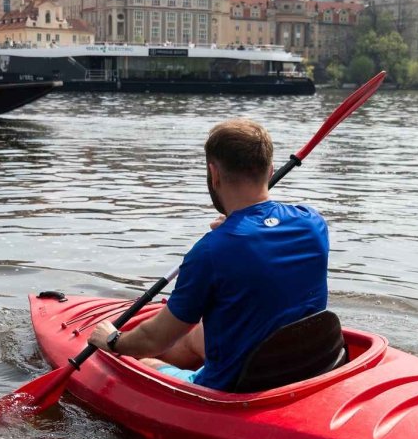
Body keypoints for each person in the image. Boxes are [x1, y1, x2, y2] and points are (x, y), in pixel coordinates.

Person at [87, 118, 329, 391]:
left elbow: (154, 340)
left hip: (240, 386)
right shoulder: (313, 222)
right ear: (270, 169)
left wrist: (113, 340)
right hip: (308, 364)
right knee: (194, 335)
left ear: (214, 175)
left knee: (144, 362)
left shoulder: (210, 252)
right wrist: (237, 226)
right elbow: (264, 239)